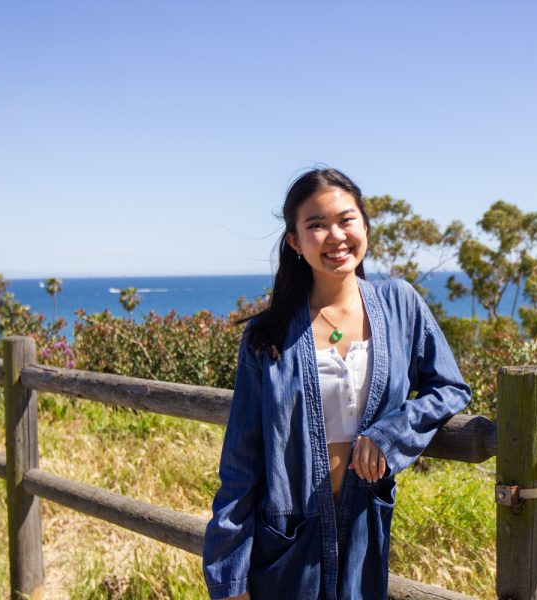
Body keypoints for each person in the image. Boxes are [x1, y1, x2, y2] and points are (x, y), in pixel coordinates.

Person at [202, 168, 471, 600]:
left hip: (365, 529)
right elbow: (240, 464)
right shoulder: (267, 336)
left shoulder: (400, 303)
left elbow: (450, 388)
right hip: (287, 542)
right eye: (316, 225)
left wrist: (389, 435)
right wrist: (230, 581)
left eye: (346, 220)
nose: (335, 236)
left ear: (364, 225)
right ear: (294, 240)